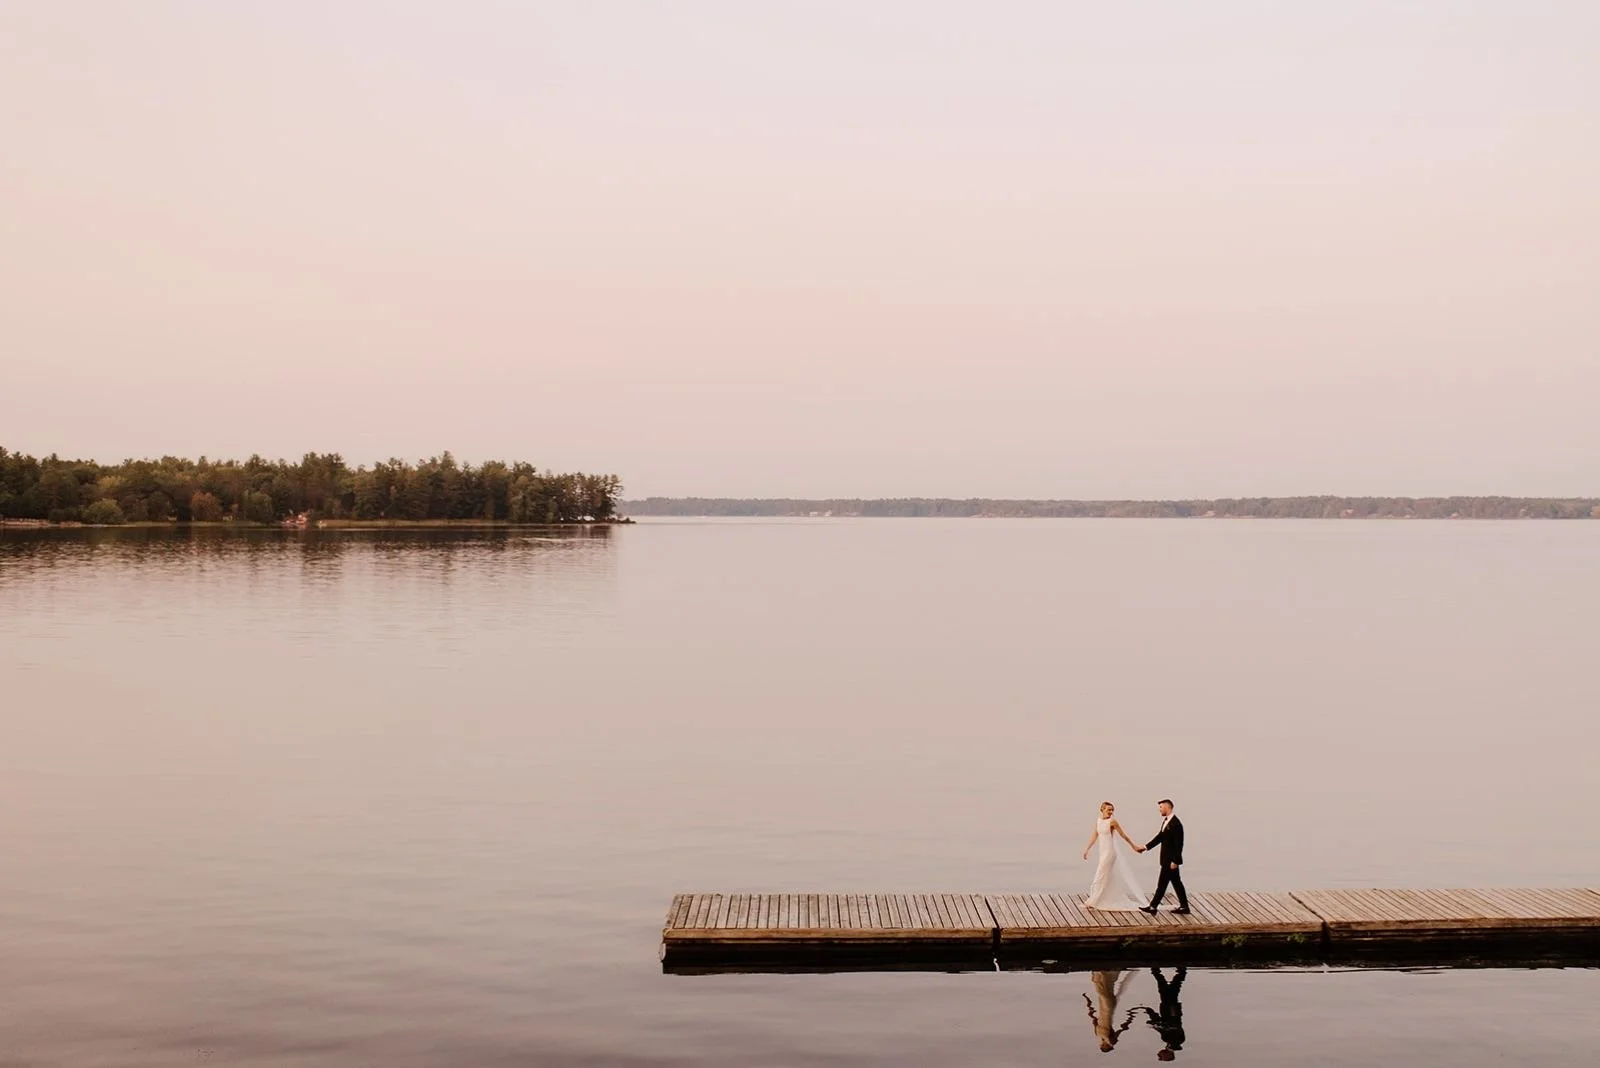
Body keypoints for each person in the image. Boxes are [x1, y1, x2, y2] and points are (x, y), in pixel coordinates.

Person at [1081, 801, 1147, 911]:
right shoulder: (1098, 821)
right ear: (1102, 810)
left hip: (1110, 852)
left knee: (1100, 874)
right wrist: (1087, 849)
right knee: (1106, 876)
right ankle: (1101, 898)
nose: (1111, 812)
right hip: (1102, 852)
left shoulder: (1112, 822)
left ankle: (1094, 900)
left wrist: (1134, 846)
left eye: (1112, 810)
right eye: (1108, 810)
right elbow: (1095, 835)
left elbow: (1123, 835)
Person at [1137, 799, 1189, 915]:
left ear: (1167, 807)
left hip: (1170, 861)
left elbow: (1179, 844)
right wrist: (1145, 847)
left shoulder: (1176, 824)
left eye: (1161, 807)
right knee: (1176, 883)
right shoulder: (1167, 821)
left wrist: (1175, 861)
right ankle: (1184, 907)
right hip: (1166, 859)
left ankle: (1153, 907)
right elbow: (1160, 837)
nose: (1159, 810)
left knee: (1162, 884)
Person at [1082, 970, 1137, 1052]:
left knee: (1103, 985)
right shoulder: (1098, 1034)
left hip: (1109, 1006)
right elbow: (1092, 1015)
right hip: (1104, 1003)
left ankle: (1103, 969)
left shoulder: (1109, 1040)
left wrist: (1131, 1017)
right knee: (1100, 985)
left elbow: (1123, 1028)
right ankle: (1102, 969)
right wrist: (1088, 1002)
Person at [1139, 966, 1187, 1059]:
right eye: (1161, 1057)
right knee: (1169, 989)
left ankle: (1179, 972)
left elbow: (1162, 1025)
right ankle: (1157, 971)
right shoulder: (1174, 1041)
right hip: (1171, 1011)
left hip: (1169, 1010)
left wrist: (1152, 1016)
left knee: (1171, 989)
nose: (1159, 1055)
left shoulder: (1171, 1041)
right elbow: (1171, 1026)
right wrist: (1154, 1022)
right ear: (1168, 1055)